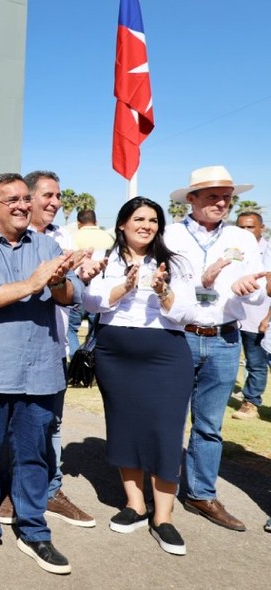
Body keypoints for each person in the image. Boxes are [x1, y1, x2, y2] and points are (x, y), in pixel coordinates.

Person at [0, 172, 83, 575]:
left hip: (39, 370)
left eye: (27, 198)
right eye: (14, 200)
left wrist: (57, 283)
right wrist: (34, 281)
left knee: (34, 455)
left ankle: (34, 530)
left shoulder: (46, 245)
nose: (25, 205)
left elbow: (71, 297)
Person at [83, 197, 195, 555]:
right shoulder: (105, 260)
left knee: (165, 430)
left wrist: (162, 290)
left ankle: (164, 518)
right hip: (115, 355)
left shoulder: (175, 263)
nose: (146, 225)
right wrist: (125, 287)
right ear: (122, 224)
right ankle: (135, 504)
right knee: (124, 426)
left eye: (152, 220)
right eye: (139, 219)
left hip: (164, 355)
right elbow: (90, 302)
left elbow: (186, 312)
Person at [0, 171, 96, 529]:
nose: (54, 203)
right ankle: (9, 491)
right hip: (12, 348)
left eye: (58, 196)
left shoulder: (61, 238)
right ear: (26, 199)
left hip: (54, 345)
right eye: (47, 196)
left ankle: (50, 490)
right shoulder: (4, 241)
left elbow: (73, 296)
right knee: (10, 424)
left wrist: (79, 276)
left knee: (51, 424)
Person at [165, 165, 266, 532]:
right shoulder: (170, 233)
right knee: (168, 420)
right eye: (212, 196)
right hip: (178, 336)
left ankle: (201, 494)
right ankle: (160, 493)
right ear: (190, 199)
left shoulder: (243, 237)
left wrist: (247, 288)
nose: (221, 202)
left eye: (226, 196)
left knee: (209, 425)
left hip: (225, 339)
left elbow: (256, 287)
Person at [232, 212, 271, 419]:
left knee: (256, 363)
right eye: (241, 227)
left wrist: (267, 318)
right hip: (232, 317)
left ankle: (251, 403)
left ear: (261, 228)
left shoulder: (269, 251)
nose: (245, 232)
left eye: (250, 227)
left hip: (259, 319)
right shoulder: (233, 250)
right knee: (228, 364)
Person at [67, 210, 114, 357]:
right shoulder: (108, 237)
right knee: (94, 333)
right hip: (100, 292)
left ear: (78, 223)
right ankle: (91, 364)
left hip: (80, 288)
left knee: (71, 329)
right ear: (96, 222)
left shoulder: (73, 237)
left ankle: (76, 365)